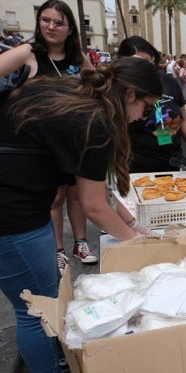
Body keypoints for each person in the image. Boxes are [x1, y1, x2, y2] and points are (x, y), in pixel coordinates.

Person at [0, 57, 162, 373]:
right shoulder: (95, 120)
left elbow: (99, 190)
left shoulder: (79, 94)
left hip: (21, 205)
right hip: (13, 214)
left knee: (45, 301)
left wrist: (132, 225)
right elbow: (94, 207)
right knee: (37, 310)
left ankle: (56, 359)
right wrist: (137, 244)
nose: (144, 117)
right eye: (147, 106)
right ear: (130, 94)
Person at [0, 0, 100, 270]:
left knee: (77, 194)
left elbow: (96, 87)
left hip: (71, 139)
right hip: (37, 145)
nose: (51, 26)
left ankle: (81, 243)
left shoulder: (78, 58)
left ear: (70, 29)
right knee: (54, 197)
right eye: (46, 20)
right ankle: (57, 249)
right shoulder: (28, 52)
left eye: (59, 22)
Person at [116, 36, 186, 172]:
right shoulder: (123, 90)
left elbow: (184, 119)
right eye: (140, 62)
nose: (147, 68)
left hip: (172, 158)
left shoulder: (169, 82)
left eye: (150, 62)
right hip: (139, 162)